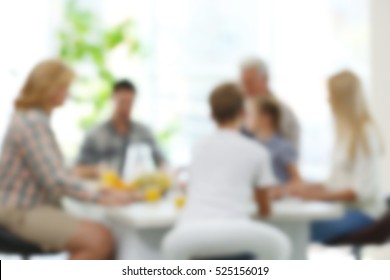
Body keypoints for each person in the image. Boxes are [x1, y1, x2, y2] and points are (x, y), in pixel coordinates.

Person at [0, 60, 138, 260]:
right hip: (19, 210)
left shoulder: (32, 118)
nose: (68, 93)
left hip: (30, 207)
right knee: (100, 240)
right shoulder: (32, 123)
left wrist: (100, 191)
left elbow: (54, 172)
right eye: (64, 87)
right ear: (49, 88)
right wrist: (99, 196)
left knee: (101, 233)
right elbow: (55, 179)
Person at [290, 71, 386, 244]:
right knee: (292, 225)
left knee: (298, 228)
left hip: (364, 214)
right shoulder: (345, 133)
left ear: (343, 98)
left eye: (331, 94)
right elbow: (334, 183)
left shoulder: (364, 134)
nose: (328, 99)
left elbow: (357, 192)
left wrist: (310, 197)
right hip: (341, 210)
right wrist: (299, 189)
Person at [180, 82, 278, 222]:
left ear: (212, 116)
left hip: (189, 229)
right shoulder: (257, 152)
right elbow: (265, 211)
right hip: (234, 231)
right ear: (243, 113)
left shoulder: (197, 147)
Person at [75, 79, 165, 179]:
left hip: (139, 190)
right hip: (107, 191)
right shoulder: (95, 134)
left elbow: (161, 162)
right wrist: (97, 170)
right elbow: (77, 169)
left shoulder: (144, 132)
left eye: (130, 102)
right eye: (122, 101)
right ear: (112, 99)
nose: (126, 107)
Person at [240, 57, 300, 151]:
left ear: (265, 79)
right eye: (243, 82)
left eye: (250, 82)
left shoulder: (284, 112)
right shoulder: (239, 110)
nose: (245, 87)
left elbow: (292, 153)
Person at [253, 97, 301, 184]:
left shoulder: (283, 147)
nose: (245, 118)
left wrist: (281, 191)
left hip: (278, 195)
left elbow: (297, 180)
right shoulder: (253, 145)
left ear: (266, 118)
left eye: (251, 114)